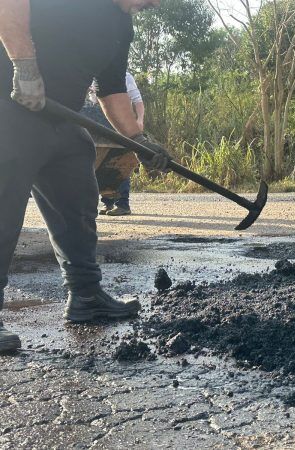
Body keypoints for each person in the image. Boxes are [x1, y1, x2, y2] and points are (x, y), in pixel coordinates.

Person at [0, 0, 172, 352]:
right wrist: (25, 67)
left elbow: (112, 89)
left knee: (79, 204)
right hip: (11, 106)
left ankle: (86, 297)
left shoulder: (121, 27)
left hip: (63, 118)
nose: (155, 3)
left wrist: (138, 141)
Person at [96, 72, 145, 216]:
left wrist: (139, 120)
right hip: (97, 123)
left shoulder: (124, 76)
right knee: (97, 163)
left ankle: (122, 203)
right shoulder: (90, 75)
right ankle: (107, 203)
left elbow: (138, 101)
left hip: (118, 123)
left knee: (119, 161)